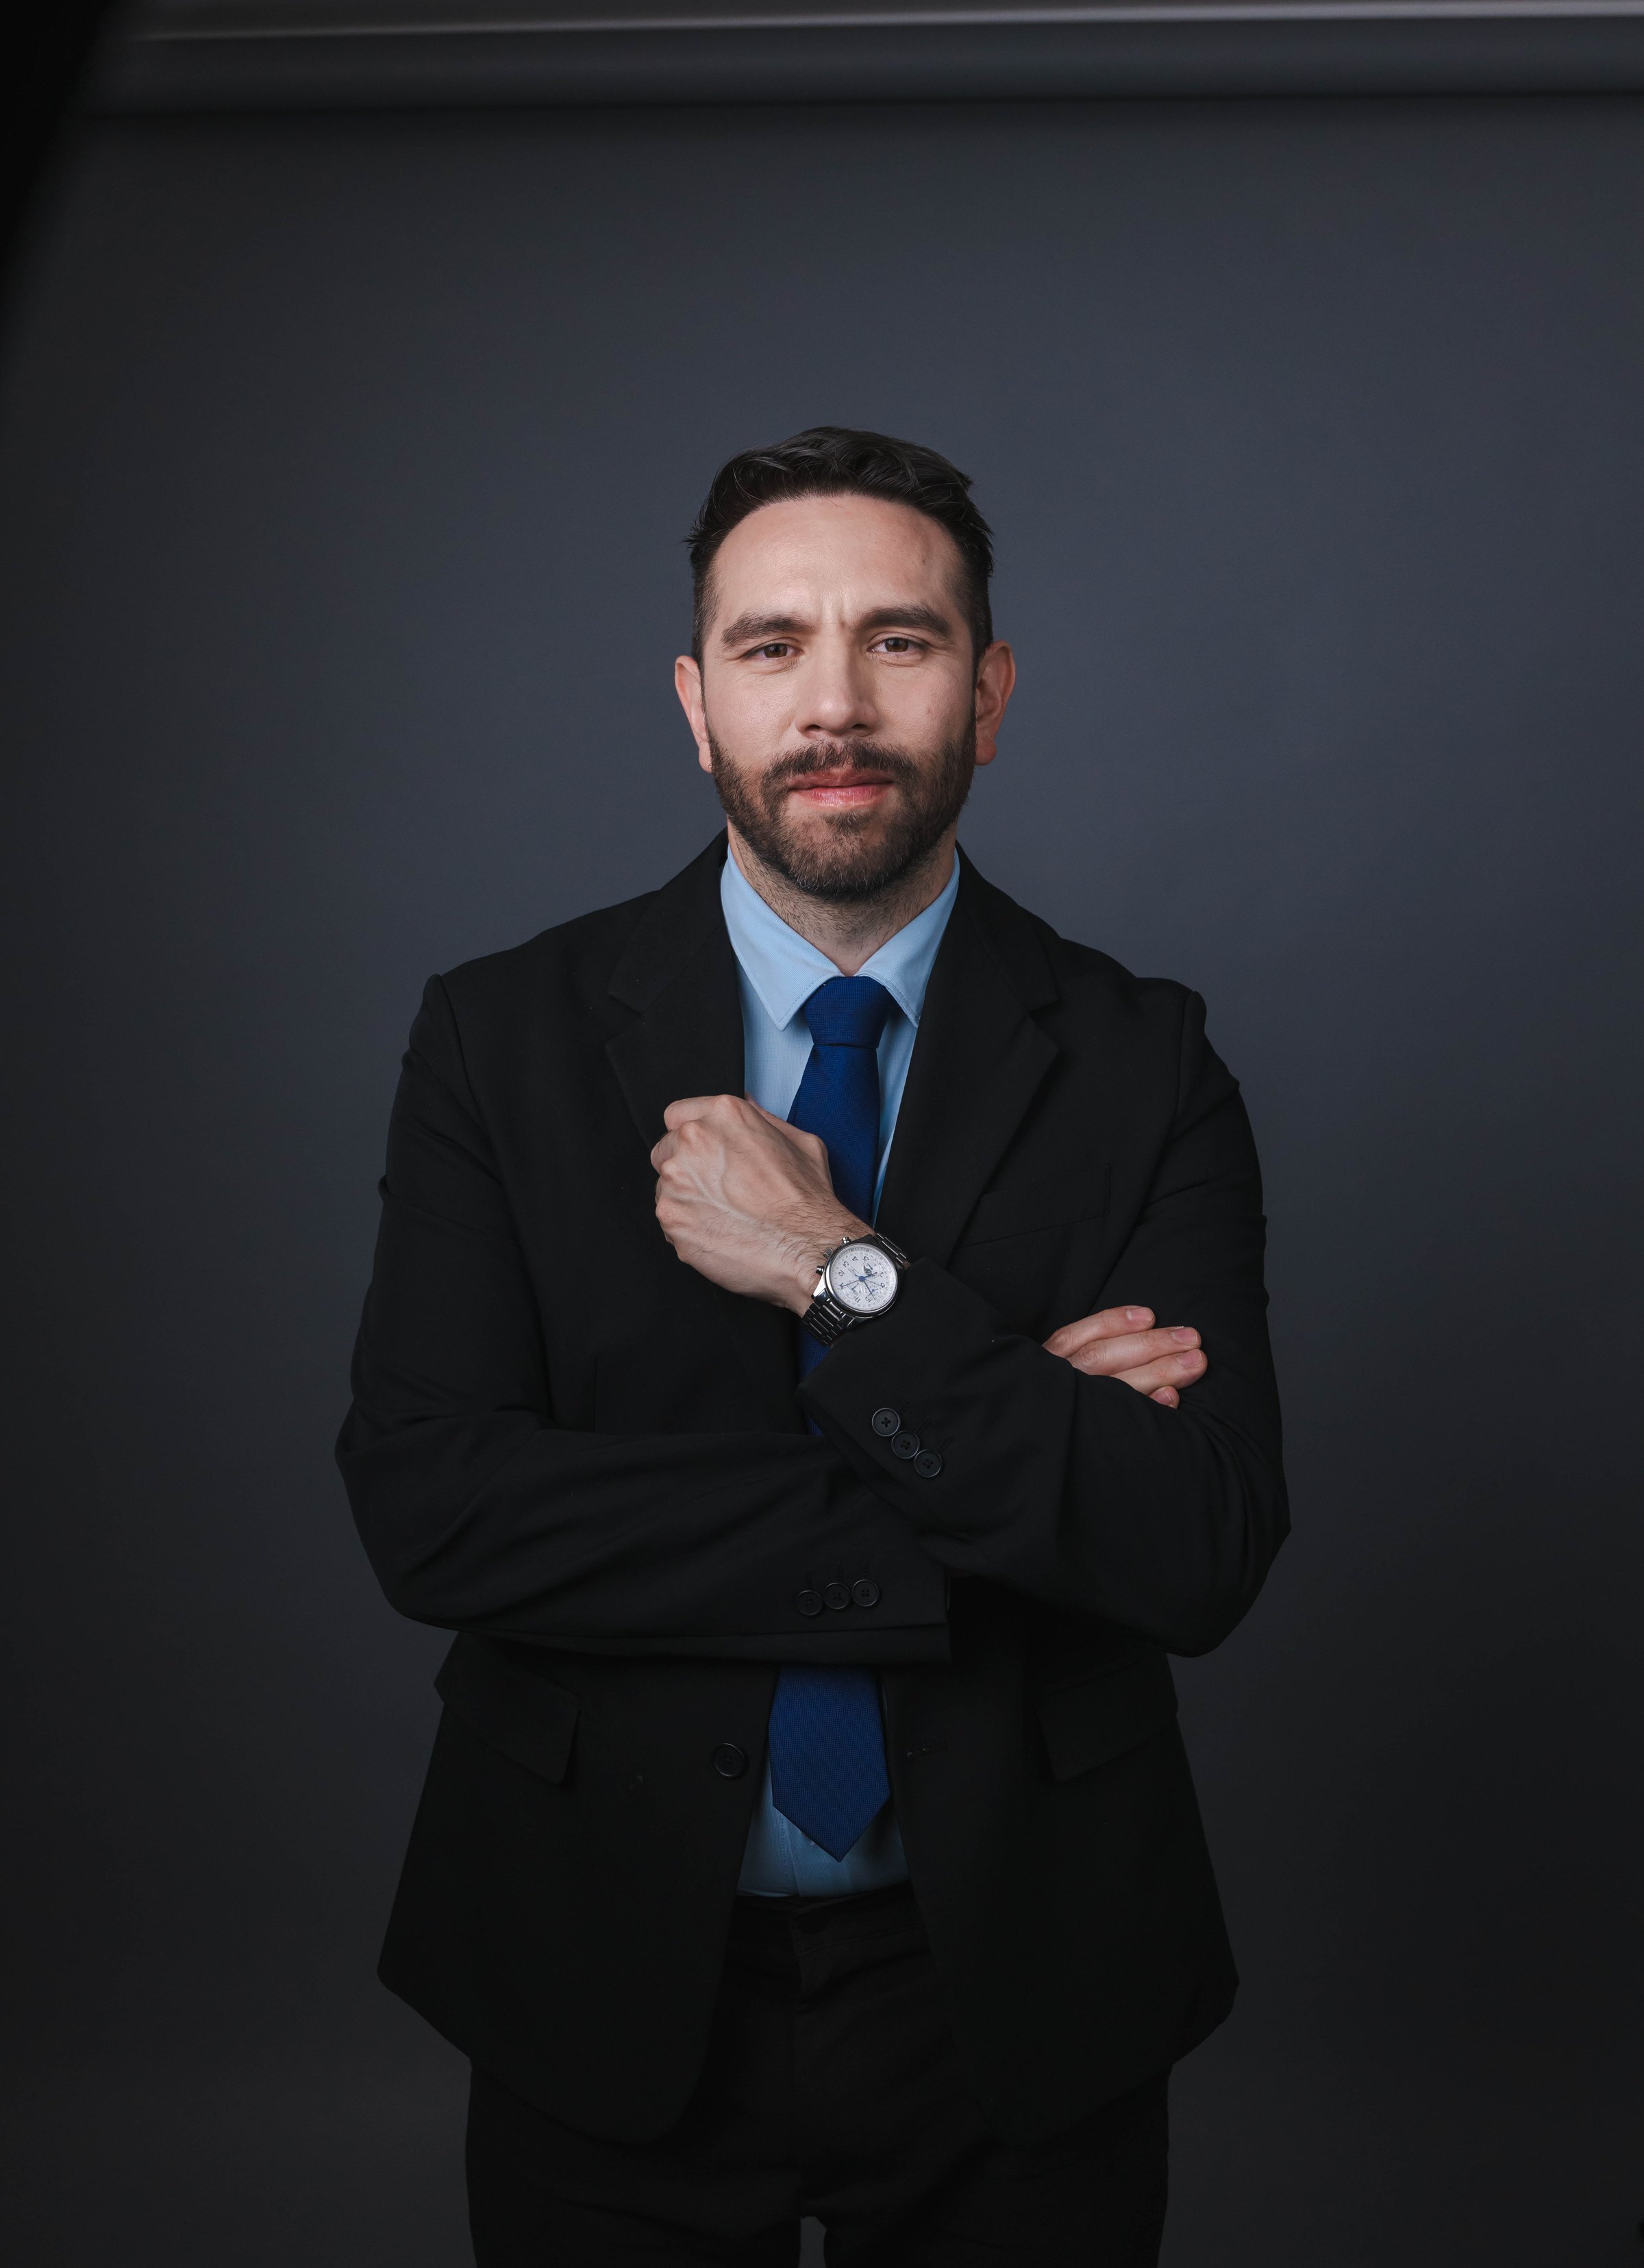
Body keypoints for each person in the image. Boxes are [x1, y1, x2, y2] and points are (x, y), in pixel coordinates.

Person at [337, 425, 1287, 2265]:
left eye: (900, 642)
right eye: (775, 647)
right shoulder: (499, 1039)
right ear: (699, 705)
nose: (834, 702)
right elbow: (433, 1514)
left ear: (989, 693)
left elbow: (1198, 1544)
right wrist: (1002, 1447)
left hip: (1025, 1980)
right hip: (595, 1964)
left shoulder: (1145, 1059)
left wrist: (840, 1273)